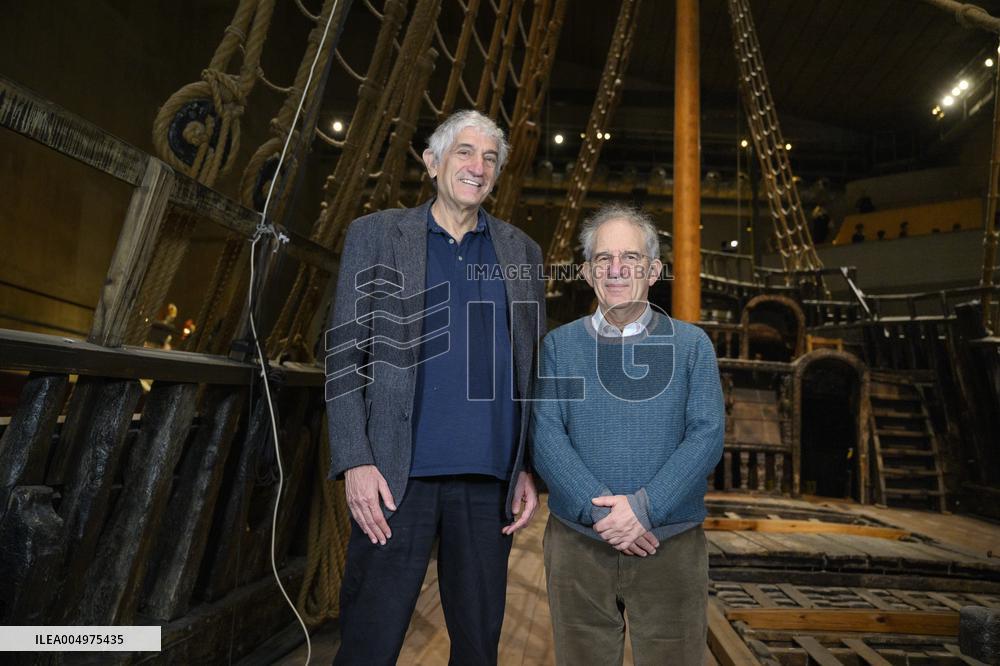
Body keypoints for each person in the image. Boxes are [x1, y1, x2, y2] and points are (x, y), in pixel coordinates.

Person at [325, 110, 546, 665]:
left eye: (489, 158)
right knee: (369, 643)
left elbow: (530, 368)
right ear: (432, 162)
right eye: (465, 152)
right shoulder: (376, 235)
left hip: (489, 482)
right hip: (394, 479)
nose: (478, 167)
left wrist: (526, 465)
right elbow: (343, 357)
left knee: (478, 648)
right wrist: (355, 460)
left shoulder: (523, 252)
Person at [532, 204, 725, 666]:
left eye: (631, 258)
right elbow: (545, 435)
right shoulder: (558, 346)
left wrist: (644, 509)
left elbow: (707, 435)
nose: (616, 269)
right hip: (578, 546)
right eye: (603, 258)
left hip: (670, 545)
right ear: (586, 272)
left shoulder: (692, 346)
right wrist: (604, 515)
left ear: (653, 271)